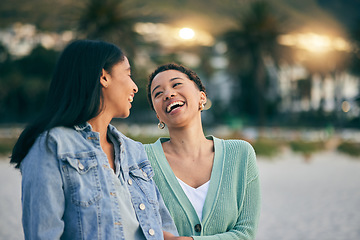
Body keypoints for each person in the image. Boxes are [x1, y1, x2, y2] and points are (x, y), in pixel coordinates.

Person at [10, 39, 177, 240]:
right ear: (103, 76)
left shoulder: (134, 151)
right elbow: (43, 234)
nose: (135, 87)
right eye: (128, 74)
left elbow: (162, 229)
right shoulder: (53, 145)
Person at [144, 63, 261, 239]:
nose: (168, 94)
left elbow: (246, 234)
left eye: (176, 84)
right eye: (158, 93)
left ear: (202, 97)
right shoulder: (141, 159)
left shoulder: (240, 154)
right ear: (157, 114)